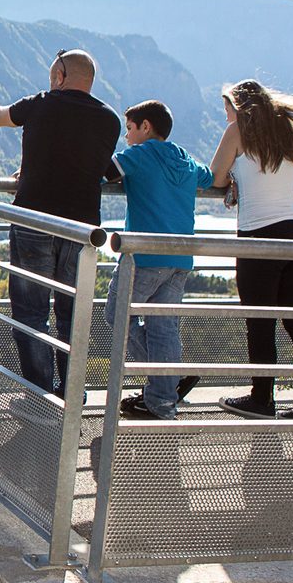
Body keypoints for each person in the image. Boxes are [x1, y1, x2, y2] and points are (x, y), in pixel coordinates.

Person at [0, 49, 120, 396]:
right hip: (83, 230)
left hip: (34, 220)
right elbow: (93, 164)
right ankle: (72, 394)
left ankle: (39, 396)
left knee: (30, 312)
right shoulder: (110, 120)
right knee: (73, 314)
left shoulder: (41, 104)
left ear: (59, 77)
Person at [208, 79, 293, 419]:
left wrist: (234, 180)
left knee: (260, 321)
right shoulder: (286, 130)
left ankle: (262, 399)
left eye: (227, 111)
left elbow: (215, 177)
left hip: (259, 235)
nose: (226, 118)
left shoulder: (237, 133)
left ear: (238, 108)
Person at [103, 100, 212, 420]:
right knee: (164, 328)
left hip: (145, 256)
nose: (127, 138)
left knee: (117, 318)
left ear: (146, 127)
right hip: (180, 258)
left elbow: (105, 172)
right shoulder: (186, 160)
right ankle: (163, 399)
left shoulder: (139, 155)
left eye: (130, 130)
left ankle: (168, 382)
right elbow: (211, 178)